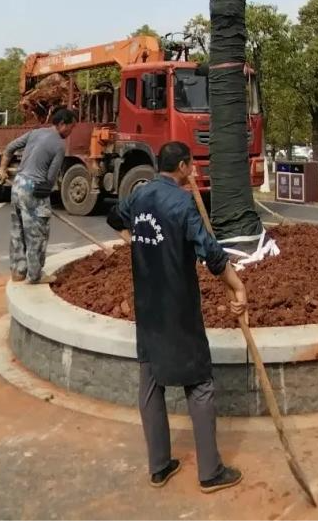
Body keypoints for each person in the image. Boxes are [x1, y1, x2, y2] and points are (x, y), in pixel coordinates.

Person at [106, 140, 247, 494]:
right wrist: (237, 285)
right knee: (199, 383)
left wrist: (136, 240)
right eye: (192, 167)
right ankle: (211, 471)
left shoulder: (138, 196)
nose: (195, 172)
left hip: (147, 305)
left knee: (150, 380)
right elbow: (211, 254)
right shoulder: (182, 203)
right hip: (178, 307)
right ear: (183, 167)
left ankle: (159, 466)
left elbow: (113, 217)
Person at [0, 107, 77, 284]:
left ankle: (18, 271)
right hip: (33, 189)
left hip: (18, 185)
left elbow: (9, 148)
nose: (71, 131)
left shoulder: (35, 133)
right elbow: (50, 178)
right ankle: (35, 275)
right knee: (37, 234)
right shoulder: (59, 145)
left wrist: (2, 169)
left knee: (18, 231)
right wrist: (45, 193)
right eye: (71, 127)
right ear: (62, 124)